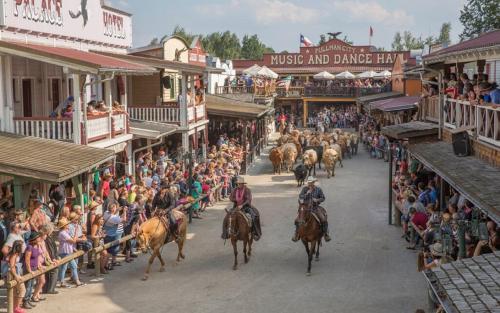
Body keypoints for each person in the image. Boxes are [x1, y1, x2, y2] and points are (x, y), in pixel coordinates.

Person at [222, 176, 262, 241]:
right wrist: (235, 199)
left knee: (254, 216)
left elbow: (248, 199)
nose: (239, 185)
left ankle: (255, 232)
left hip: (246, 206)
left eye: (241, 183)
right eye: (238, 183)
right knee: (226, 217)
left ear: (243, 184)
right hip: (236, 206)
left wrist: (242, 205)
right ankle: (225, 233)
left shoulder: (247, 190)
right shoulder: (235, 189)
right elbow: (230, 197)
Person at [293, 176, 331, 242]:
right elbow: (300, 196)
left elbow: (323, 198)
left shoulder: (318, 189)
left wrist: (317, 200)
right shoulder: (305, 189)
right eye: (308, 182)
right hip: (305, 208)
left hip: (315, 208)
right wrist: (306, 194)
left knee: (323, 219)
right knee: (297, 220)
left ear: (314, 182)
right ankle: (296, 234)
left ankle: (326, 234)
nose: (309, 184)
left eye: (311, 182)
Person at [56, 218, 85, 288]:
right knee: (71, 266)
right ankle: (76, 281)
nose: (68, 225)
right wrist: (75, 237)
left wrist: (73, 248)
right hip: (64, 252)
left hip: (68, 252)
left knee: (64, 267)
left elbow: (70, 243)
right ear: (64, 225)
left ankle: (62, 282)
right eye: (67, 224)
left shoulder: (65, 232)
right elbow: (72, 241)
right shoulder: (62, 233)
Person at [23, 232, 45, 307]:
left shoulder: (37, 245)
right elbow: (27, 259)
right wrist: (29, 270)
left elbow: (37, 257)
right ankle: (25, 301)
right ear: (34, 239)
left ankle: (28, 300)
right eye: (38, 237)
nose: (39, 238)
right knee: (28, 286)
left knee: (32, 285)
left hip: (35, 268)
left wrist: (39, 265)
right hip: (30, 269)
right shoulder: (29, 247)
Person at [5, 240, 26, 313]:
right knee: (22, 290)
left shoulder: (13, 253)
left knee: (14, 292)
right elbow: (12, 266)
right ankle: (17, 307)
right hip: (13, 275)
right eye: (22, 246)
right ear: (19, 247)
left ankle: (14, 308)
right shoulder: (14, 255)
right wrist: (16, 276)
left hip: (14, 274)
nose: (23, 247)